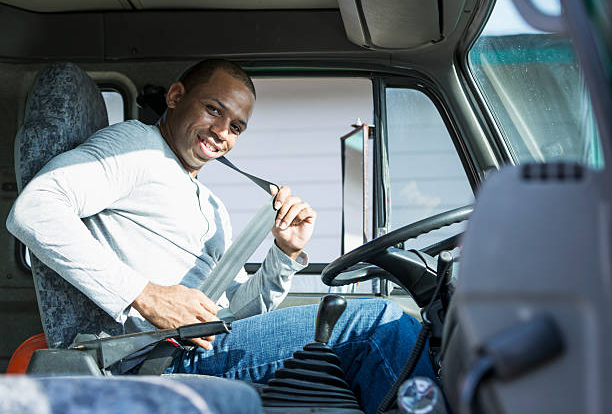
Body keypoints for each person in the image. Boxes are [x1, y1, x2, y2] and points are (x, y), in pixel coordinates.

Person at [6, 59, 435, 414]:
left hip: (196, 347)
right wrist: (146, 294)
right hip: (148, 359)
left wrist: (283, 254)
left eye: (236, 127)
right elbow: (34, 210)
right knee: (375, 323)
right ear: (176, 97)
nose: (222, 132)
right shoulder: (133, 146)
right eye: (214, 110)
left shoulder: (209, 205)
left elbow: (231, 313)